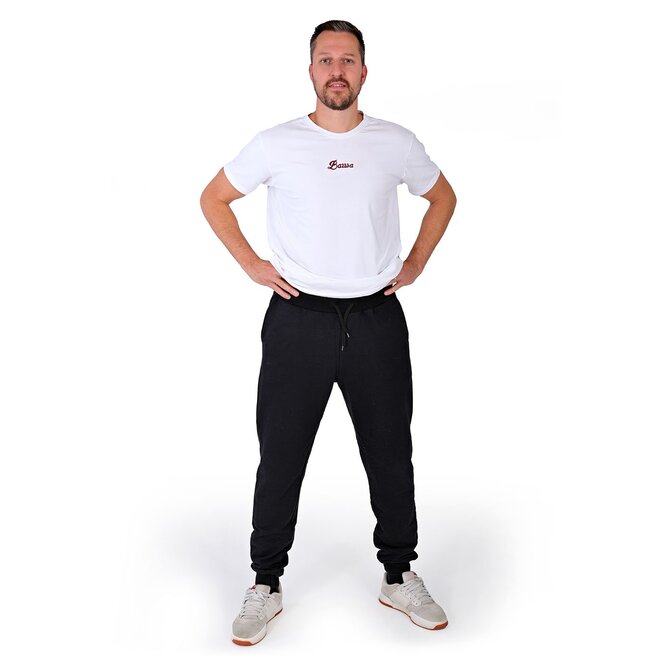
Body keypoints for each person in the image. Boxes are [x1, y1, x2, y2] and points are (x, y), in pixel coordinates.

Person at [200, 19, 457, 646]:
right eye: (325, 60)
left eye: (347, 60)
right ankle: (265, 582)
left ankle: (398, 574)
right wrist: (252, 264)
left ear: (364, 72)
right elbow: (214, 198)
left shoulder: (395, 142)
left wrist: (416, 262)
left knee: (390, 454)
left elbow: (444, 197)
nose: (336, 70)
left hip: (375, 318)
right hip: (298, 321)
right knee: (281, 456)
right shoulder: (276, 143)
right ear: (311, 71)